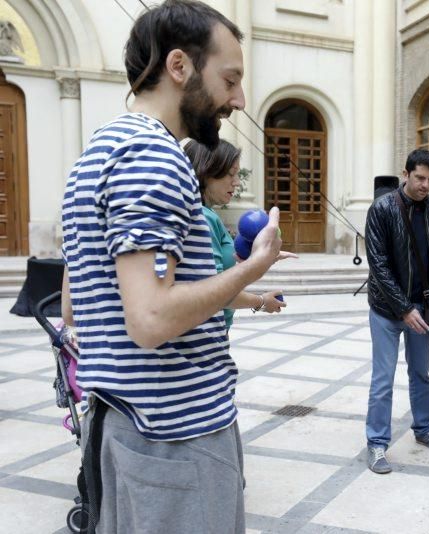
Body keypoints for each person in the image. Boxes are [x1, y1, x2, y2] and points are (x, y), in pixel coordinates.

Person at [60, 2, 295, 532]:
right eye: (230, 79)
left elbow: (75, 307)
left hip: (122, 422)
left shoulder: (98, 151)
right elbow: (152, 319)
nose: (238, 100)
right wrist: (252, 267)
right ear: (179, 66)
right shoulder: (155, 156)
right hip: (176, 436)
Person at [364, 148, 429, 474]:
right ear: (406, 174)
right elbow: (379, 267)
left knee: (421, 374)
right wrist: (403, 308)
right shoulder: (381, 209)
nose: (425, 185)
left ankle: (424, 430)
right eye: (420, 178)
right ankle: (377, 443)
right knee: (383, 380)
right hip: (386, 310)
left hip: (423, 309)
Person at [184, 138, 285, 331]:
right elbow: (213, 291)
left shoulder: (206, 213)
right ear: (205, 172)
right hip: (206, 332)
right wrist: (262, 301)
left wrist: (260, 258)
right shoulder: (203, 218)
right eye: (231, 174)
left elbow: (219, 279)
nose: (237, 182)